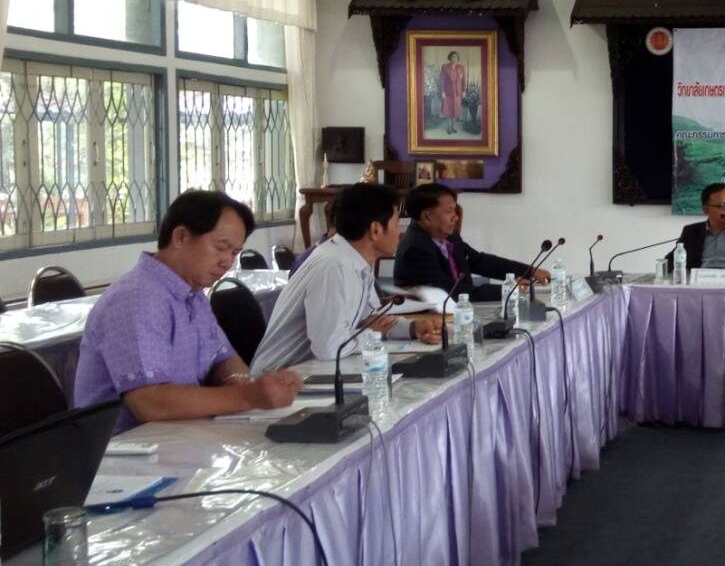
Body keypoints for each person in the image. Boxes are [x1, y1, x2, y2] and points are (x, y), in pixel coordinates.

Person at [74, 190, 304, 432]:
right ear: (181, 237)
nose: (227, 262)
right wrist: (246, 397)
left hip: (179, 435)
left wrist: (238, 382)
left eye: (234, 253)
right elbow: (148, 401)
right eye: (221, 247)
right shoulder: (137, 298)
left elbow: (224, 357)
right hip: (126, 447)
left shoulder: (193, 294)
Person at [252, 184, 444, 374]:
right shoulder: (334, 266)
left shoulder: (356, 261)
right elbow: (330, 347)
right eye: (396, 223)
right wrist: (373, 332)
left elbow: (373, 320)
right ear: (376, 230)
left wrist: (412, 328)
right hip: (278, 377)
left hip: (316, 371)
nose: (400, 232)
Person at [394, 182, 549, 301]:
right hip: (428, 319)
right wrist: (509, 290)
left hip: (459, 310)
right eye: (449, 211)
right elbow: (451, 292)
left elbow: (478, 261)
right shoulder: (416, 248)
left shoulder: (447, 236)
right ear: (427, 217)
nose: (455, 217)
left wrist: (530, 271)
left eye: (455, 210)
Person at [440, 50, 465, 130]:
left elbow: (463, 80)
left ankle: (453, 127)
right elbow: (442, 80)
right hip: (448, 92)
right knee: (448, 110)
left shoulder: (461, 67)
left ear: (458, 58)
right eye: (453, 57)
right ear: (450, 58)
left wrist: (463, 91)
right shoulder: (445, 67)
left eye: (456, 57)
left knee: (455, 110)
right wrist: (442, 91)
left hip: (457, 93)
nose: (454, 58)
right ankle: (449, 127)